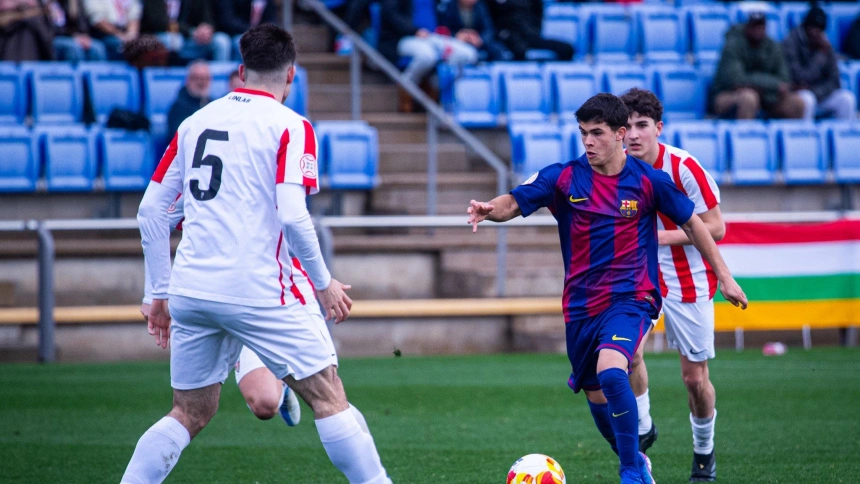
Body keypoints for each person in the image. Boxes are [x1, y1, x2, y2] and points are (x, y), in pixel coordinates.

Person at [122, 24, 392, 484]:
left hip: (192, 289)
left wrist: (159, 293)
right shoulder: (292, 125)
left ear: (241, 71)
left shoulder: (195, 122)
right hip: (261, 289)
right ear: (292, 77)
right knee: (328, 394)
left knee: (188, 412)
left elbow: (151, 211)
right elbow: (293, 215)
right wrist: (324, 284)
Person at [467, 93, 748, 484]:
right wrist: (489, 209)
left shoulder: (649, 180)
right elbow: (514, 201)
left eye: (597, 133)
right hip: (581, 306)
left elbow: (695, 223)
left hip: (632, 298)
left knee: (615, 371)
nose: (588, 142)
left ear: (619, 134)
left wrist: (726, 277)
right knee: (595, 393)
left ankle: (632, 469)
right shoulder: (563, 177)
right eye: (583, 133)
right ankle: (635, 457)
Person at [620, 88, 725, 482]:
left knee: (695, 379)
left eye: (641, 125)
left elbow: (717, 226)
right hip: (637, 274)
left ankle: (703, 450)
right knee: (627, 354)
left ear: (658, 128)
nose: (632, 134)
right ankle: (644, 427)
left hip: (689, 277)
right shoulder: (614, 168)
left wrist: (663, 236)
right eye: (626, 126)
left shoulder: (682, 167)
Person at [379, 0, 479, 112]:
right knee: (427, 56)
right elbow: (390, 14)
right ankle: (406, 86)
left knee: (468, 54)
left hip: (432, 37)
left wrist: (457, 33)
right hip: (403, 37)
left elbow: (444, 17)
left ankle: (435, 89)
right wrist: (414, 31)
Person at [711, 12, 804, 120]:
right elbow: (736, 80)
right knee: (749, 98)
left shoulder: (772, 47)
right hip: (728, 95)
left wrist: (761, 85)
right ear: (747, 27)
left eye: (761, 27)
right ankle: (744, 135)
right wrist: (771, 84)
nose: (757, 31)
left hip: (766, 97)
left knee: (797, 103)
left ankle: (781, 136)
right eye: (754, 27)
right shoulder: (733, 45)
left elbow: (784, 80)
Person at [783, 6, 856, 121]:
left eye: (819, 29)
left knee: (846, 99)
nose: (815, 32)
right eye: (812, 28)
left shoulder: (825, 45)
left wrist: (817, 91)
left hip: (819, 92)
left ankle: (844, 136)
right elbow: (799, 76)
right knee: (808, 99)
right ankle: (805, 136)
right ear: (806, 26)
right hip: (798, 93)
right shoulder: (791, 42)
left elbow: (835, 81)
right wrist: (819, 57)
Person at [139, 0, 231, 62]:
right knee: (174, 40)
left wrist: (206, 30)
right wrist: (191, 32)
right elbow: (159, 23)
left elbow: (207, 17)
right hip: (159, 37)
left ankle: (218, 85)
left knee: (221, 41)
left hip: (192, 39)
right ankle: (169, 79)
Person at [485, 0, 573, 61]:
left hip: (530, 35)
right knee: (520, 50)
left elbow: (538, 11)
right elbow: (488, 20)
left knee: (567, 49)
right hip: (508, 35)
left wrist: (535, 30)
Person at [436, 0, 511, 61]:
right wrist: (456, 36)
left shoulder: (480, 6)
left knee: (498, 50)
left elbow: (489, 29)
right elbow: (443, 30)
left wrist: (480, 39)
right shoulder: (449, 7)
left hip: (478, 42)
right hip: (456, 42)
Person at [166, 61, 211, 141]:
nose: (201, 82)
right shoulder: (178, 108)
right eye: (197, 78)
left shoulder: (213, 104)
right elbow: (179, 138)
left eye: (205, 78)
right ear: (188, 80)